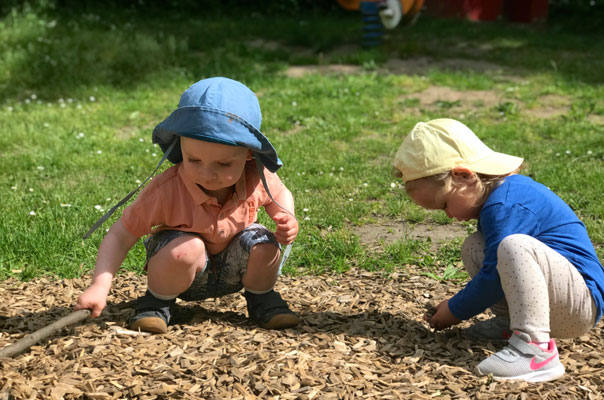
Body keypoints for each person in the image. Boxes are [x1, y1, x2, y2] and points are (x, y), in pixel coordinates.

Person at [75, 77, 300, 334]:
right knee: (186, 247)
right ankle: (157, 303)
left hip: (233, 267)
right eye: (193, 160)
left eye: (223, 164)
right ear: (180, 145)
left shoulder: (256, 177)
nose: (207, 173)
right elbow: (121, 235)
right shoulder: (167, 190)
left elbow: (280, 193)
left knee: (264, 242)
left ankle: (262, 299)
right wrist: (100, 286)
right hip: (180, 271)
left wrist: (287, 217)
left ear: (249, 154)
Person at [392, 118, 604, 382]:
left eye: (444, 204)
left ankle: (535, 352)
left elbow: (493, 274)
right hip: (560, 298)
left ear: (465, 176)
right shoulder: (498, 198)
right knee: (475, 246)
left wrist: (455, 310)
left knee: (512, 246)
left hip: (579, 304)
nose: (447, 215)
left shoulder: (504, 205)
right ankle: (510, 325)